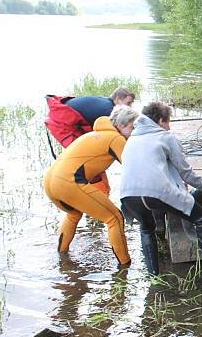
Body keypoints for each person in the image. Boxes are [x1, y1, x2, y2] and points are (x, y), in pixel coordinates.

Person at [120, 102, 202, 279]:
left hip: (128, 195)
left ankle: (154, 277)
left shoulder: (132, 139)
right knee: (201, 218)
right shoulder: (166, 137)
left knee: (146, 229)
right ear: (159, 120)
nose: (169, 126)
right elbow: (185, 173)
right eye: (167, 121)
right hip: (155, 193)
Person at [43, 105, 138, 266]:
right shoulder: (116, 138)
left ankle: (62, 258)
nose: (134, 132)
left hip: (50, 182)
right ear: (121, 125)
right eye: (133, 127)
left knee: (74, 214)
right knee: (114, 218)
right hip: (69, 182)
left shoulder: (95, 135)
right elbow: (133, 167)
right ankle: (125, 266)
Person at [45, 86, 136, 195]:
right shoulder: (109, 110)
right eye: (128, 103)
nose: (130, 107)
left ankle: (98, 193)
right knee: (87, 159)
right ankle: (98, 194)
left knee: (93, 156)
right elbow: (119, 139)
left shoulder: (106, 103)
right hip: (63, 124)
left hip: (66, 119)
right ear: (117, 99)